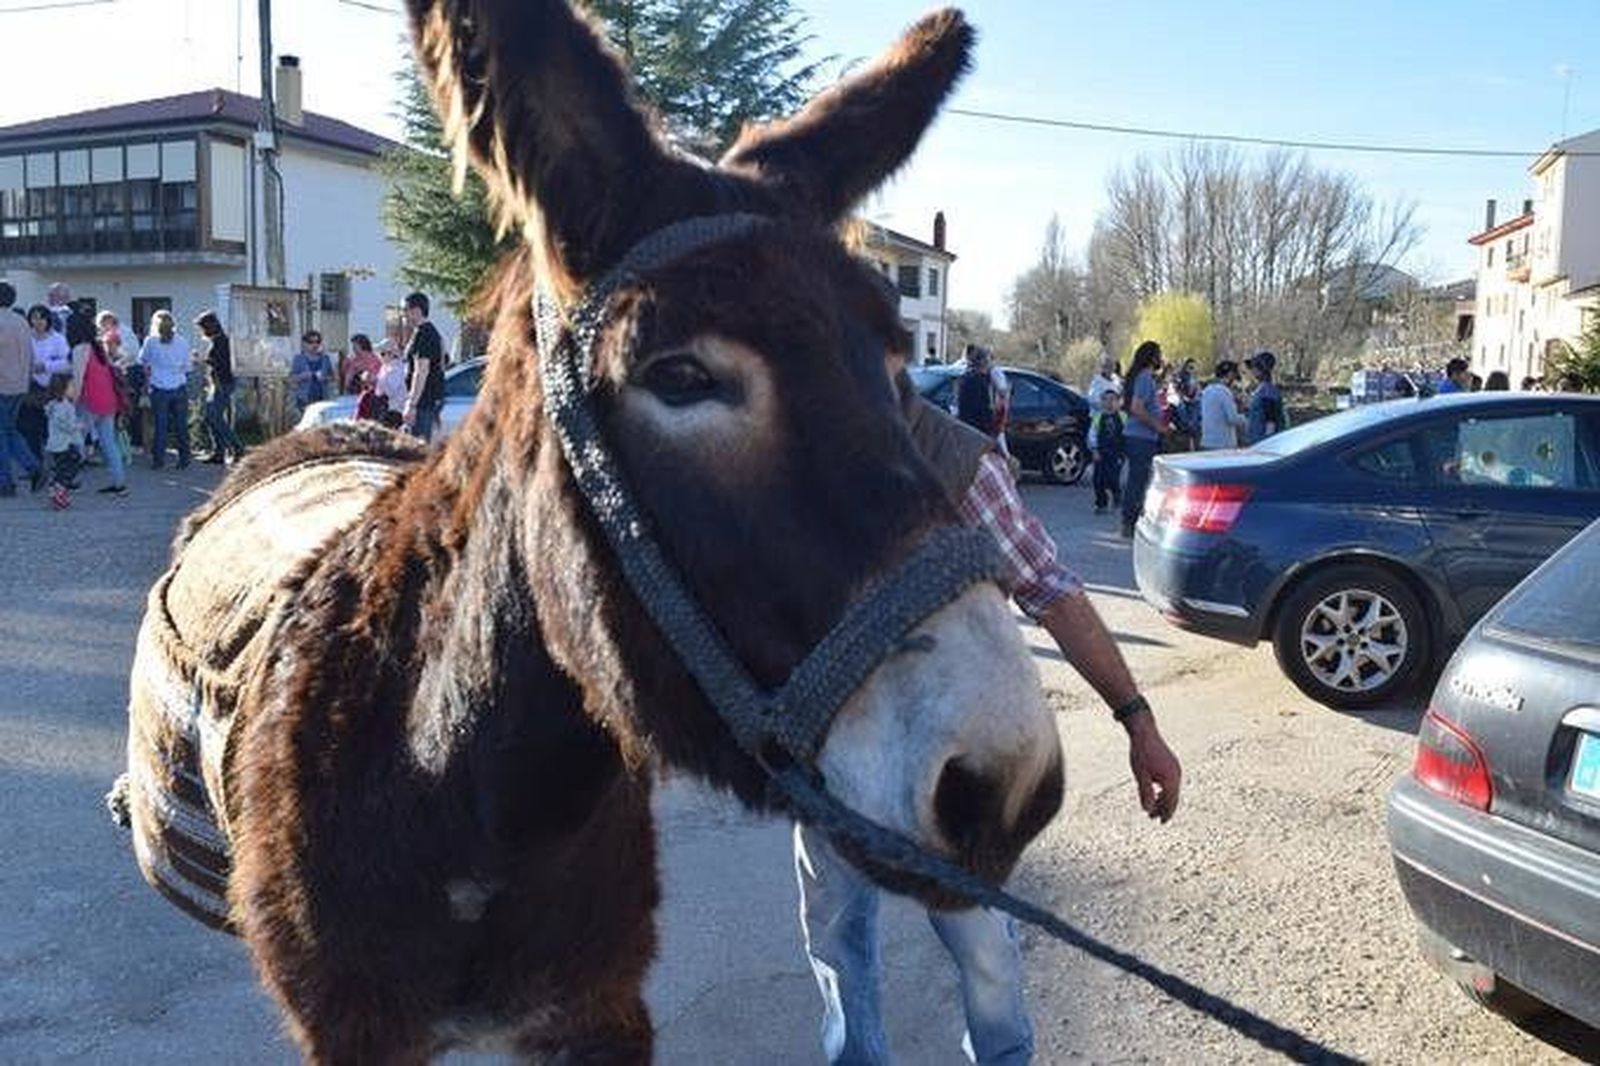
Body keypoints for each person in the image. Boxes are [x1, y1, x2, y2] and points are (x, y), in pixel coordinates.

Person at [795, 376, 1183, 1066]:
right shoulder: (783, 454)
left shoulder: (959, 465)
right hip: (831, 759)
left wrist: (1138, 721)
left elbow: (1052, 593)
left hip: (953, 768)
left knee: (981, 947)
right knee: (838, 940)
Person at [67, 311, 127, 495]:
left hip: (89, 401)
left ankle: (67, 480)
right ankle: (119, 484)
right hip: (108, 399)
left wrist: (70, 404)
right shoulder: (98, 346)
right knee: (108, 442)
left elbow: (77, 380)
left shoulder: (80, 349)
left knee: (75, 440)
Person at [0, 281, 43, 497]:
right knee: (9, 431)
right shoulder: (21, 322)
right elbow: (30, 355)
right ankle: (34, 467)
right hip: (19, 384)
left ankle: (5, 482)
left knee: (2, 433)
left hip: (2, 385)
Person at [1120, 340, 1164, 539]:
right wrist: (1158, 426)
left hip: (1136, 436)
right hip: (1141, 438)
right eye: (1158, 354)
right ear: (1151, 357)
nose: (1161, 359)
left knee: (1137, 480)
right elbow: (1137, 408)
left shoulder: (1137, 376)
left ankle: (1130, 520)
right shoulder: (1145, 377)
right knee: (1138, 481)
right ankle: (1129, 522)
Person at [139, 309, 193, 469]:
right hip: (179, 386)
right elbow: (188, 367)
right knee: (181, 425)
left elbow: (143, 362)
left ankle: (159, 460)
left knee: (160, 426)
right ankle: (184, 459)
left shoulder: (151, 341)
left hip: (159, 387)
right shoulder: (183, 341)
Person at [195, 310, 245, 465]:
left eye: (202, 328)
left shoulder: (221, 341)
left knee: (214, 417)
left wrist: (204, 361)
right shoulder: (219, 340)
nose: (201, 331)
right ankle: (219, 451)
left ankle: (236, 446)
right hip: (218, 383)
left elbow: (222, 364)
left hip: (222, 383)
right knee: (212, 418)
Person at [24, 303, 71, 464]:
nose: (38, 321)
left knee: (52, 429)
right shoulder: (26, 337)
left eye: (42, 317)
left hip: (52, 389)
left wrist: (45, 366)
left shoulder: (57, 338)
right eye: (34, 317)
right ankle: (36, 466)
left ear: (48, 320)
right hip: (30, 387)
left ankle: (59, 467)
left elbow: (67, 363)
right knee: (31, 428)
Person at [401, 292, 446, 441]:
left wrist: (412, 404)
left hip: (423, 403)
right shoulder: (432, 333)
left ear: (417, 310)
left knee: (415, 452)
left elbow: (421, 371)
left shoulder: (424, 334)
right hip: (427, 401)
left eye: (405, 310)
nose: (404, 315)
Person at [42, 373, 80, 508]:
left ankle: (57, 490)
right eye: (72, 386)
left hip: (55, 444)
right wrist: (75, 427)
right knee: (70, 466)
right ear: (62, 389)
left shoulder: (53, 404)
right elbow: (61, 422)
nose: (75, 389)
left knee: (61, 467)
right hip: (64, 443)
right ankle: (59, 489)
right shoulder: (64, 405)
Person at [1087, 386, 1125, 514]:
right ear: (1102, 402)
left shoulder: (1123, 417)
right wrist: (1094, 450)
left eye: (1113, 400)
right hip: (1101, 453)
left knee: (1113, 478)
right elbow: (1092, 435)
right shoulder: (1098, 418)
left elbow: (1128, 435)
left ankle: (1117, 497)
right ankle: (1101, 503)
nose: (1109, 403)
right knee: (1098, 479)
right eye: (1106, 400)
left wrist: (1125, 451)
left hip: (1117, 453)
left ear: (1118, 402)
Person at [1199, 360, 1247, 450]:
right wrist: (1245, 418)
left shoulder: (1206, 391)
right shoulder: (1224, 391)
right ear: (1229, 375)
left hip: (1207, 441)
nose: (1234, 381)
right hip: (1223, 443)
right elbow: (1232, 418)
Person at [956, 345, 1002, 438]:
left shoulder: (967, 377)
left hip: (967, 427)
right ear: (982, 361)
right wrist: (990, 427)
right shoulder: (977, 381)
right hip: (976, 430)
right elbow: (981, 407)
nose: (990, 364)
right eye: (988, 360)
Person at [1244, 351, 1285, 446]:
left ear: (1262, 369)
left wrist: (1268, 442)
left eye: (1254, 367)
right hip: (1255, 440)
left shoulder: (1268, 391)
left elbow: (1271, 420)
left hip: (1263, 442)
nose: (1252, 371)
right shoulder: (1260, 388)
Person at [291, 329, 335, 412]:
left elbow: (332, 377)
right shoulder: (298, 359)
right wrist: (303, 376)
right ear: (304, 344)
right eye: (311, 342)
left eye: (317, 342)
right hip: (304, 398)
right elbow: (292, 378)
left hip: (322, 398)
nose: (315, 345)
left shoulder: (325, 359)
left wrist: (325, 378)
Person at [375, 337, 410, 423]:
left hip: (396, 410)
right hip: (386, 408)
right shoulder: (384, 368)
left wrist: (377, 381)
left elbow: (391, 391)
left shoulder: (397, 368)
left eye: (382, 353)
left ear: (391, 354)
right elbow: (378, 392)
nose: (380, 356)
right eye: (380, 353)